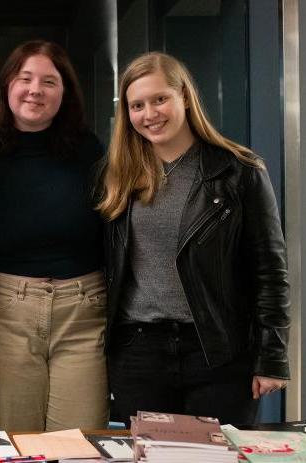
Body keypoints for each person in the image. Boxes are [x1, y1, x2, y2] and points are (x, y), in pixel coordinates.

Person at [98, 52, 290, 426]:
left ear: (184, 96)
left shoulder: (240, 171)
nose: (149, 114)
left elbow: (270, 271)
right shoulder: (114, 178)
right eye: (137, 105)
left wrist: (273, 358)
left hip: (218, 351)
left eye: (159, 99)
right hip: (140, 353)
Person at [0, 40, 108, 431]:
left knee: (80, 444)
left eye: (49, 81)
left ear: (64, 93)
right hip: (7, 309)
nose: (36, 90)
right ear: (7, 86)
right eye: (25, 78)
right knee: (17, 443)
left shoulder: (88, 149)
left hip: (83, 310)